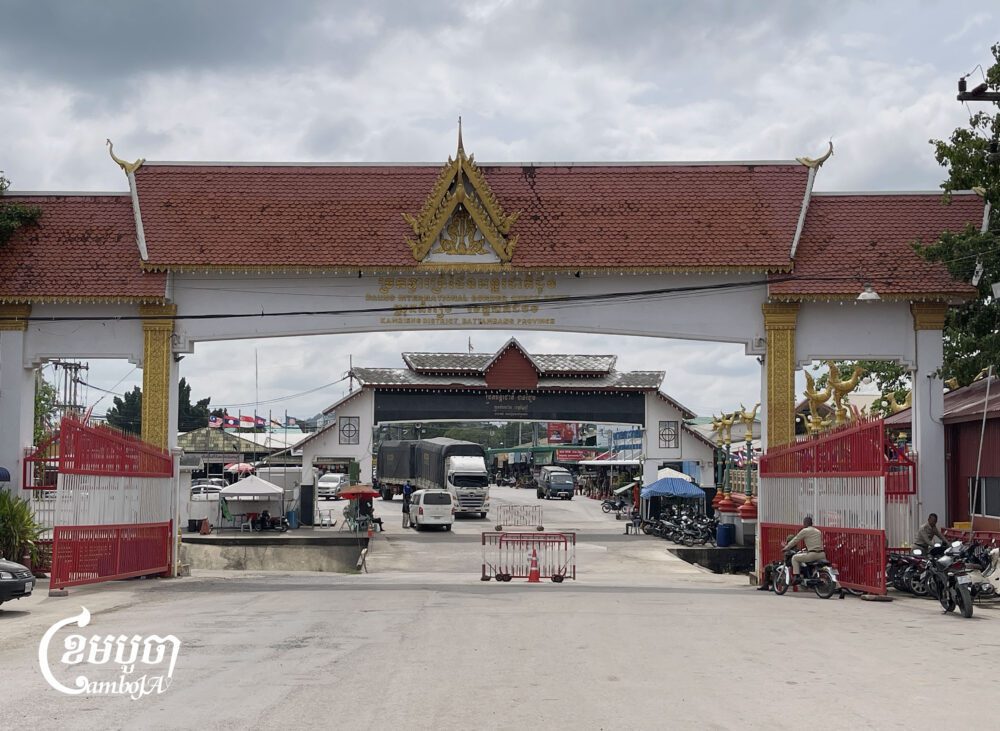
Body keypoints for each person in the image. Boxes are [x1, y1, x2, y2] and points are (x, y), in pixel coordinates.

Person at [782, 516, 825, 582]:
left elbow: (795, 540)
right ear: (812, 523)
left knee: (795, 558)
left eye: (804, 523)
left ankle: (797, 577)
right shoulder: (818, 531)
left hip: (812, 555)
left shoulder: (805, 531)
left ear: (805, 523)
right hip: (822, 554)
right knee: (822, 567)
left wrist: (786, 547)